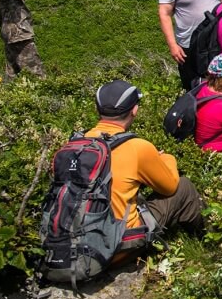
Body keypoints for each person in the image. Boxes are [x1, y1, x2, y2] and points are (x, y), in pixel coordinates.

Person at [88, 80, 206, 258]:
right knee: (184, 187)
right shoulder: (137, 147)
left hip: (70, 245)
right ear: (134, 110)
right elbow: (170, 187)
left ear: (98, 110)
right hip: (114, 247)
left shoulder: (73, 145)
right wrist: (165, 158)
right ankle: (207, 239)